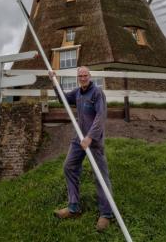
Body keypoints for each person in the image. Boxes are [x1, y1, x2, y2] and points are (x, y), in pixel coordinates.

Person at [49, 66, 113, 231]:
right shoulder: (77, 92)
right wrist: (55, 82)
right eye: (80, 75)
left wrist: (90, 137)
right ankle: (74, 207)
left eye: (85, 75)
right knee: (69, 167)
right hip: (79, 139)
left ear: (90, 76)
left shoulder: (97, 93)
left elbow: (101, 116)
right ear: (78, 77)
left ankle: (106, 214)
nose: (83, 78)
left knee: (100, 176)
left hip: (94, 140)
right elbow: (63, 99)